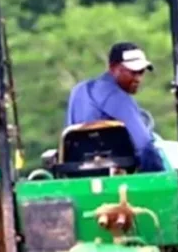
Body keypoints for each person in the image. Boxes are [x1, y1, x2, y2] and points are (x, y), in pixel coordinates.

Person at [65, 42, 166, 172]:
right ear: (112, 68)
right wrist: (159, 176)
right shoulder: (118, 98)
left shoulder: (79, 90)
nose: (138, 79)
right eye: (132, 72)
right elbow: (144, 145)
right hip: (113, 170)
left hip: (75, 169)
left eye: (141, 72)